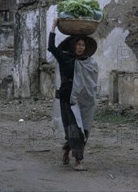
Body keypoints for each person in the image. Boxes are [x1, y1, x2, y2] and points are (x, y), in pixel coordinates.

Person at [48, 18, 99, 171]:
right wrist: (53, 26)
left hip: (84, 100)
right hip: (67, 99)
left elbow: (91, 82)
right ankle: (78, 160)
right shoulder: (64, 58)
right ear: (73, 45)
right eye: (78, 44)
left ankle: (66, 149)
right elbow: (51, 47)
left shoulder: (88, 62)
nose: (80, 47)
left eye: (83, 45)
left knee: (83, 130)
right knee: (74, 129)